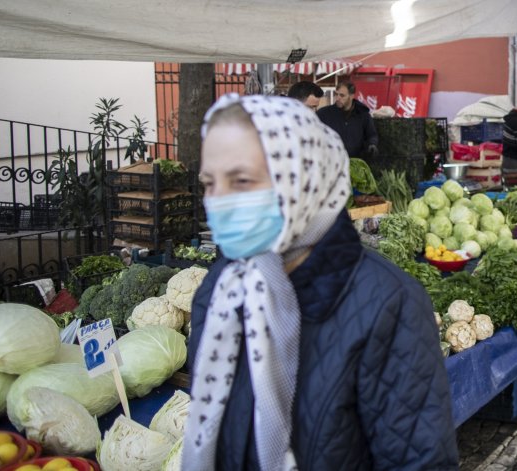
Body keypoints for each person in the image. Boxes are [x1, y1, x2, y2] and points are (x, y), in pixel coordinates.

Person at [184, 94, 458, 471]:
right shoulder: (221, 290)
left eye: (242, 180)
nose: (218, 201)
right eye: (209, 183)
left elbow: (419, 461)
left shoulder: (389, 305)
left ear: (304, 179)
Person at [317, 81, 379, 158]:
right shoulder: (323, 114)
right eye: (336, 94)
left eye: (342, 95)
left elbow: (371, 135)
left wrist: (372, 144)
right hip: (331, 162)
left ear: (352, 96)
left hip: (356, 163)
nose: (338, 98)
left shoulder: (363, 115)